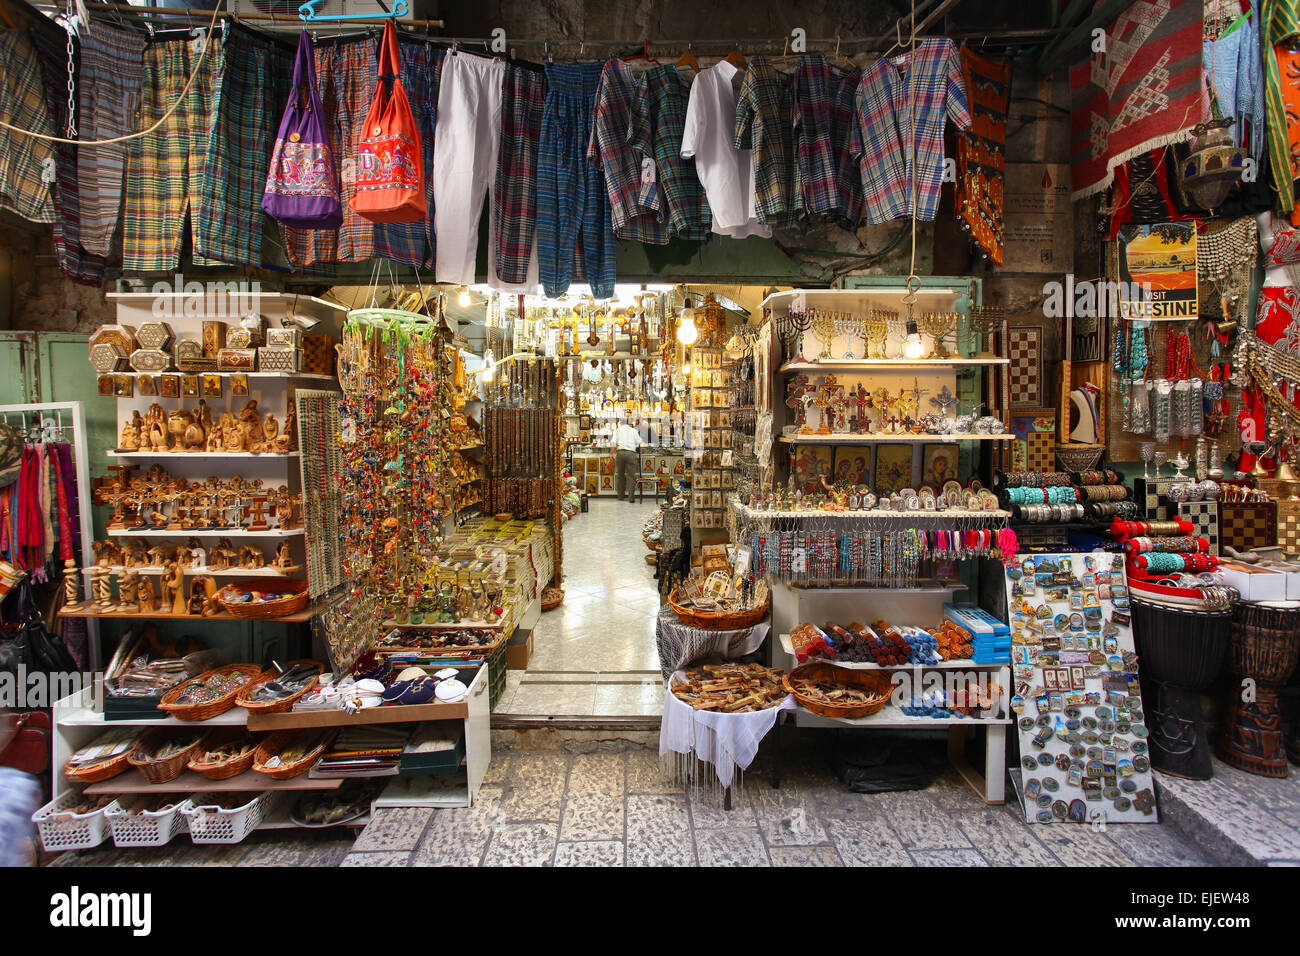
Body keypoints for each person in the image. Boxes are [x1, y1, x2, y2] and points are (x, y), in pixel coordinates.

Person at [610, 416, 643, 501]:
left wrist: (612, 453)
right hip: (630, 453)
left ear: (620, 422)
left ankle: (620, 496)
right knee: (631, 476)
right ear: (629, 422)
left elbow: (613, 442)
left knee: (620, 475)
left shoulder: (617, 430)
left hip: (620, 453)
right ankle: (631, 497)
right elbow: (639, 442)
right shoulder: (633, 430)